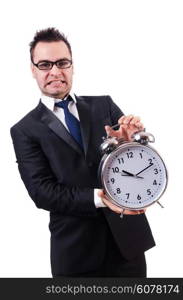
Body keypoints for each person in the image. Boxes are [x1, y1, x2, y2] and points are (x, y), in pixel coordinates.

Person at [10, 27, 155, 277]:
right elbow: (42, 193)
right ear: (33, 70)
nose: (55, 71)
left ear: (72, 65)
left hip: (127, 245)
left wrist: (132, 141)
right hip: (75, 254)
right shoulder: (24, 130)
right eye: (45, 64)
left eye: (62, 62)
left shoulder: (104, 105)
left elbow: (138, 161)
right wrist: (100, 198)